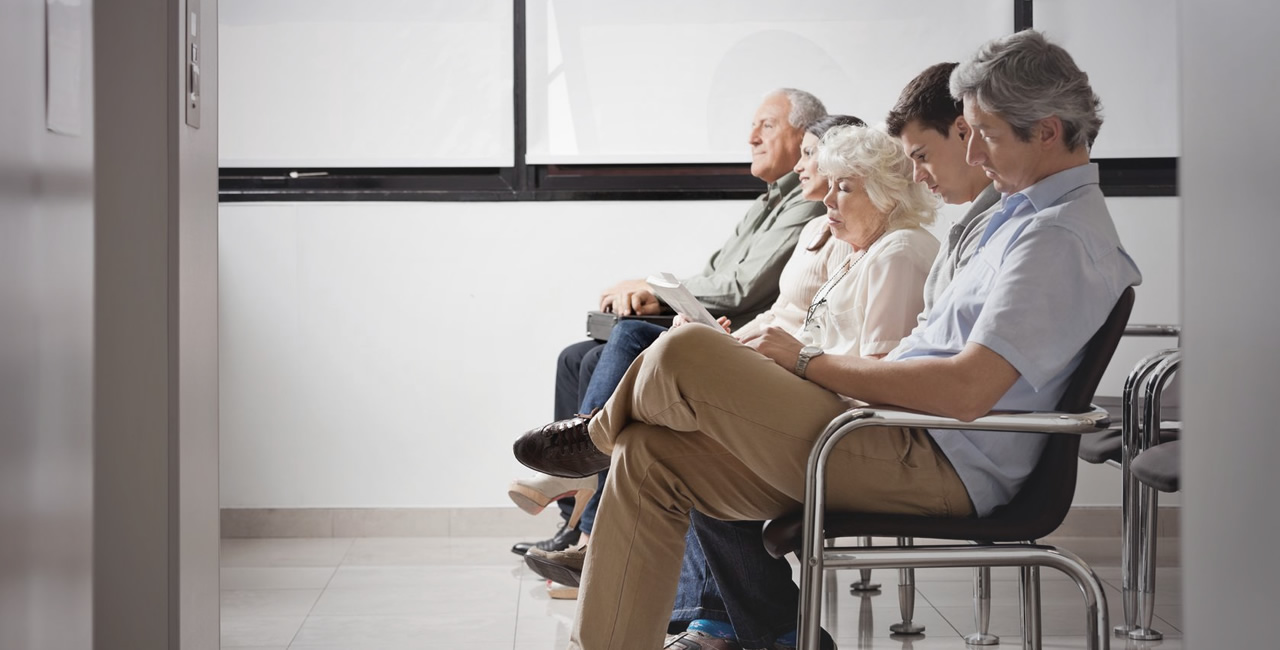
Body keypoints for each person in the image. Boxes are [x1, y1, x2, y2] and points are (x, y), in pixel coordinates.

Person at [515, 29, 1141, 650]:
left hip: (932, 460)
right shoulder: (1011, 220)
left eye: (987, 135)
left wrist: (808, 363)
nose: (972, 154)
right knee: (650, 453)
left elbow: (965, 390)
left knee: (682, 351)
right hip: (888, 430)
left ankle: (595, 441)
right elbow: (926, 352)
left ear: (1049, 130)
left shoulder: (1057, 238)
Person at [662, 61, 1009, 650]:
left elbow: (878, 374)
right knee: (681, 399)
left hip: (865, 429)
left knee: (688, 401)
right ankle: (757, 628)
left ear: (885, 191)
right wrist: (772, 356)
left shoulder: (900, 253)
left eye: (842, 187)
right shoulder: (865, 249)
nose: (825, 199)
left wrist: (792, 363)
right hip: (846, 414)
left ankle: (754, 626)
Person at [511, 88, 830, 556]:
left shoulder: (807, 204)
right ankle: (574, 513)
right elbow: (715, 273)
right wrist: (652, 289)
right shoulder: (768, 202)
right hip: (717, 328)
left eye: (767, 125)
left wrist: (652, 290)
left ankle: (591, 526)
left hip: (729, 337)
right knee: (575, 358)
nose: (751, 137)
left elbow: (741, 288)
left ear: (803, 135)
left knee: (614, 344)